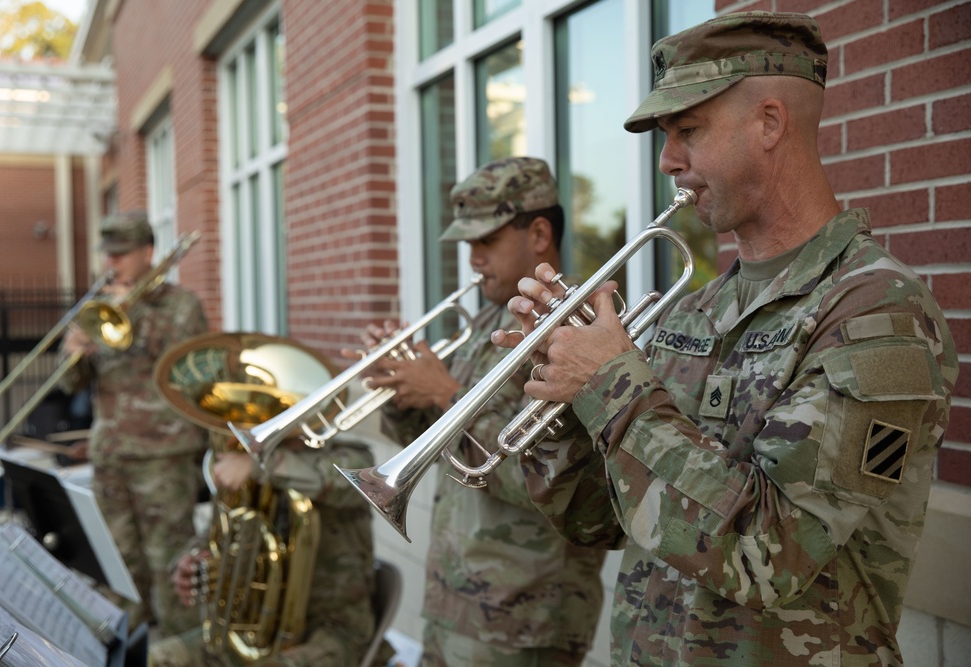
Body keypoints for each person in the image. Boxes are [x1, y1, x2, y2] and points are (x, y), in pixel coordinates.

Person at [495, 12, 959, 666]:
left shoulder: (877, 312)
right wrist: (564, 401)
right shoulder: (698, 309)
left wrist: (613, 387)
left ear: (770, 123)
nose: (667, 161)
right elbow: (598, 518)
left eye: (688, 130)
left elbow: (769, 555)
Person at [360, 156, 607, 666]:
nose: (472, 259)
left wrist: (446, 394)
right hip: (455, 597)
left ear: (538, 234)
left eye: (485, 241)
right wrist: (399, 389)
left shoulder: (582, 331)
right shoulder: (489, 321)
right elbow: (448, 449)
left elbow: (556, 483)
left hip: (523, 619)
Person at [58, 211, 208, 634]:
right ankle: (129, 645)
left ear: (148, 252)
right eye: (109, 254)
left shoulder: (181, 305)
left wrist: (134, 311)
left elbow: (192, 374)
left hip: (163, 455)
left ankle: (179, 651)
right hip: (111, 453)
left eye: (122, 254)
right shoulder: (96, 307)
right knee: (118, 563)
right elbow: (71, 385)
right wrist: (75, 349)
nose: (113, 263)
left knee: (170, 562)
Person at [148, 437, 394, 667]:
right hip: (254, 630)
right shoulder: (244, 462)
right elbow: (218, 532)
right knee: (160, 658)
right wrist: (192, 562)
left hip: (332, 633)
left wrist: (260, 466)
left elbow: (346, 483)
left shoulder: (353, 456)